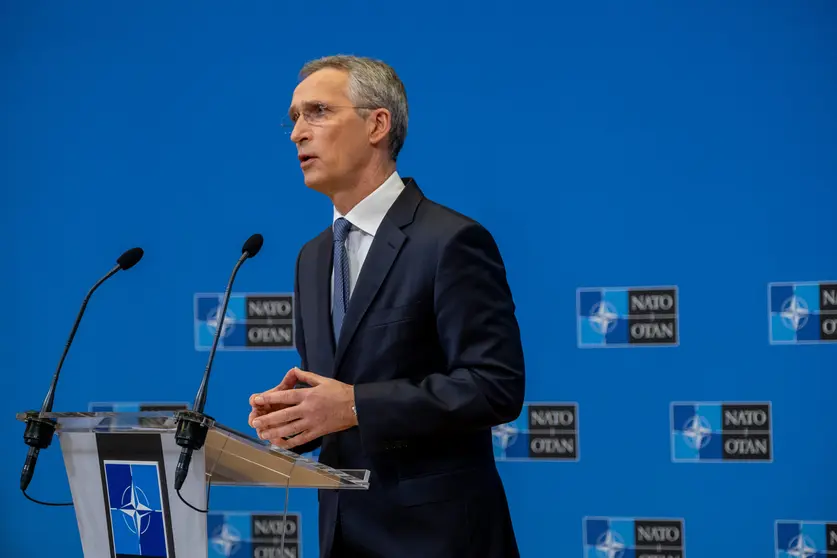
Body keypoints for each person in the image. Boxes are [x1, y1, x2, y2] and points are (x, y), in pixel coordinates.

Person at [248, 55, 525, 558]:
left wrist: (353, 404)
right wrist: (297, 420)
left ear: (377, 123)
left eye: (317, 112)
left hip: (438, 539)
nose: (297, 134)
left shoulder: (451, 241)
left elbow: (494, 386)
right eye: (293, 118)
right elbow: (335, 400)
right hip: (342, 537)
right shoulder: (312, 258)